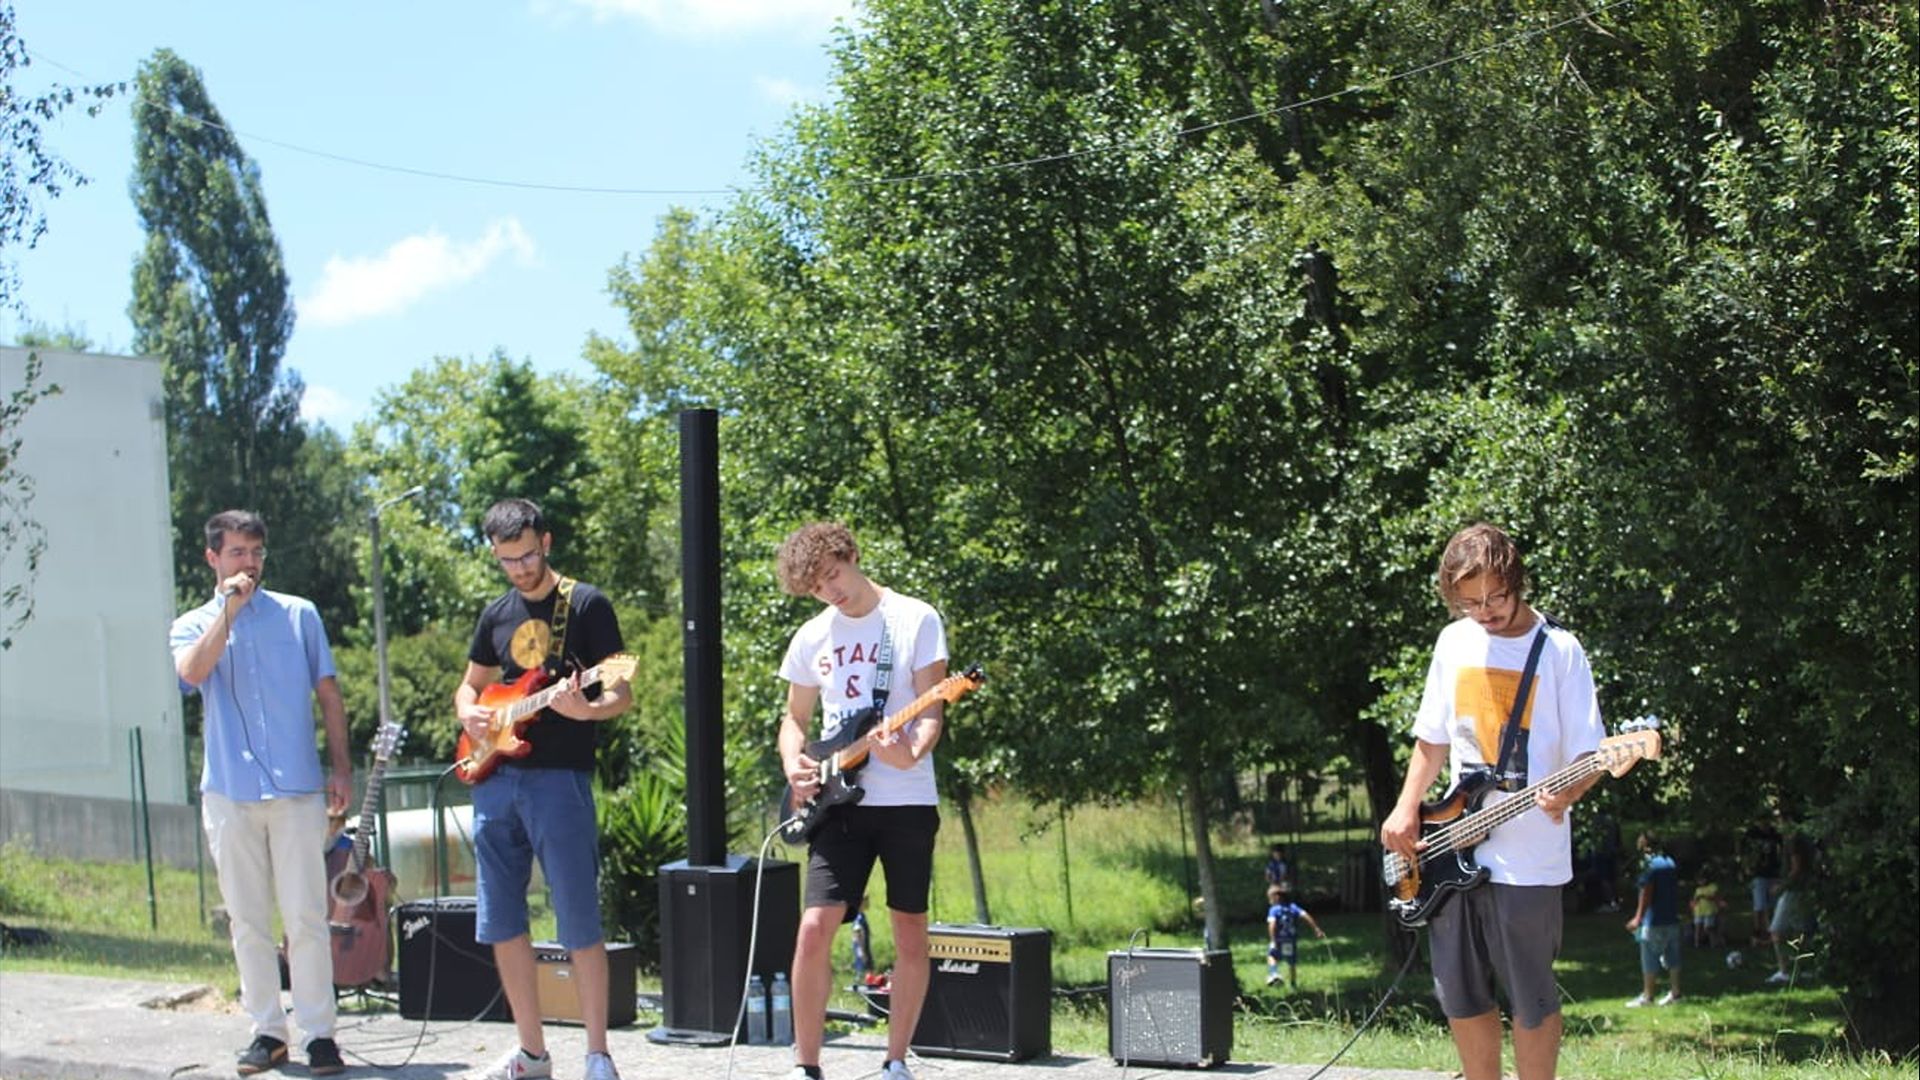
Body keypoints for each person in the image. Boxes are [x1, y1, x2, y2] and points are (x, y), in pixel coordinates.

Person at [1379, 523, 1605, 1080]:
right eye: (1470, 603)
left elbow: (1592, 754)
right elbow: (1432, 738)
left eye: (1496, 597)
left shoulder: (1559, 650)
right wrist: (1406, 807)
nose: (1485, 612)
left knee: (1531, 996)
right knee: (1459, 994)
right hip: (1451, 843)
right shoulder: (1453, 642)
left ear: (1517, 583)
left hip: (1528, 858)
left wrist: (1569, 791)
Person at [455, 499, 631, 1080]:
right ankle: (532, 1053)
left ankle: (598, 1055)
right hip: (494, 780)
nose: (521, 568)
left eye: (528, 555)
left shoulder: (587, 604)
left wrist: (588, 709)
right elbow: (469, 687)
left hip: (559, 780)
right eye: (508, 560)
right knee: (502, 918)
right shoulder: (495, 614)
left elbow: (621, 690)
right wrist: (470, 715)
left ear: (546, 542)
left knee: (577, 915)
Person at [169, 510, 350, 1076]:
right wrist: (228, 611)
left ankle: (320, 1035)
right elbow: (191, 674)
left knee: (306, 916)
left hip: (296, 790)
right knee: (247, 919)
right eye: (237, 553)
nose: (248, 563)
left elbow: (329, 694)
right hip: (229, 792)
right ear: (213, 558)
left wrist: (342, 768)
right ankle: (268, 1031)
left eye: (256, 552)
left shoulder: (299, 614)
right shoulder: (191, 624)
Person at [776, 523, 948, 1080]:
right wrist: (794, 762)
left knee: (909, 931)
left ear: (850, 554)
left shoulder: (914, 618)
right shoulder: (812, 636)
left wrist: (907, 752)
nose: (830, 592)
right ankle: (806, 1066)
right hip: (837, 803)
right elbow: (794, 718)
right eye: (816, 588)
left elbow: (931, 711)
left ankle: (896, 1061)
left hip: (906, 801)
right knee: (813, 928)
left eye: (833, 575)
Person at [1624, 833, 1682, 1007]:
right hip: (1672, 918)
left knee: (1649, 958)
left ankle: (1648, 996)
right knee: (1673, 958)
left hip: (1654, 920)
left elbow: (1646, 892)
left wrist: (1638, 918)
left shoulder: (1648, 865)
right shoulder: (1670, 862)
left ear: (1645, 845)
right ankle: (1676, 993)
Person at [1766, 830, 1817, 986]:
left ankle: (1785, 971)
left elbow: (1796, 868)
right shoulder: (1807, 839)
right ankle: (1804, 968)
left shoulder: (1795, 841)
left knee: (1777, 931)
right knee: (1802, 932)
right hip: (1805, 891)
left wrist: (1781, 887)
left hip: (1793, 892)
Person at [1264, 882, 1326, 989]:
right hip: (1290, 939)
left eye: (1271, 898)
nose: (1270, 900)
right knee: (1291, 962)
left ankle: (1274, 974)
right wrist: (1316, 929)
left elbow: (1272, 925)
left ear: (1277, 897)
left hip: (1278, 939)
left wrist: (1273, 940)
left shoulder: (1274, 910)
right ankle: (1293, 985)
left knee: (1272, 956)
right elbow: (1306, 915)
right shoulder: (1293, 907)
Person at [1740, 814, 1784, 944]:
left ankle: (1771, 931)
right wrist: (1746, 867)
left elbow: (1782, 850)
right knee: (1759, 904)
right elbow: (1744, 851)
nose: (1764, 824)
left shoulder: (1775, 834)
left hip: (1774, 873)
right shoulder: (1752, 834)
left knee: (1773, 905)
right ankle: (1758, 931)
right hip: (1758, 874)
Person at [1689, 872, 1726, 949]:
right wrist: (1693, 905)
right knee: (1697, 928)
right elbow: (1694, 900)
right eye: (1699, 880)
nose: (1700, 882)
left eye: (1702, 880)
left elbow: (1715, 897)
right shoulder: (1698, 889)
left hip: (1709, 911)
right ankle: (1696, 945)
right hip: (1698, 911)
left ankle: (1713, 944)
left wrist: (1704, 896)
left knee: (1708, 928)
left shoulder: (1712, 886)